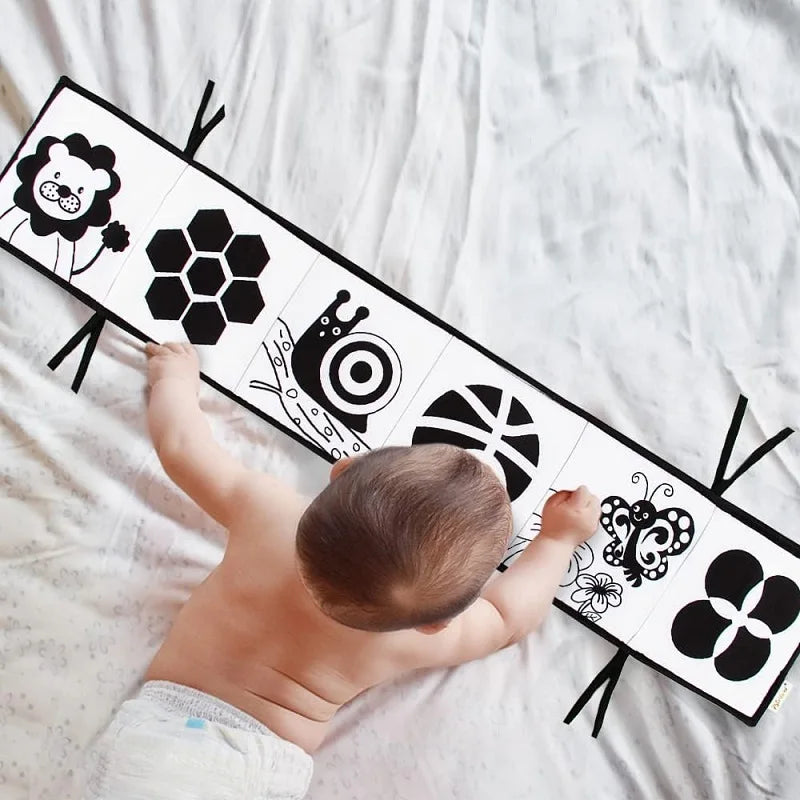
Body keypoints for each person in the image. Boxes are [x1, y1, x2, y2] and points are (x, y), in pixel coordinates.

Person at [81, 342, 601, 800]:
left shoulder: (268, 513)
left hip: (151, 743)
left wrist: (173, 378)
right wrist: (558, 539)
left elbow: (182, 447)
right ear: (436, 621)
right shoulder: (411, 638)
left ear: (344, 470)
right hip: (249, 768)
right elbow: (509, 619)